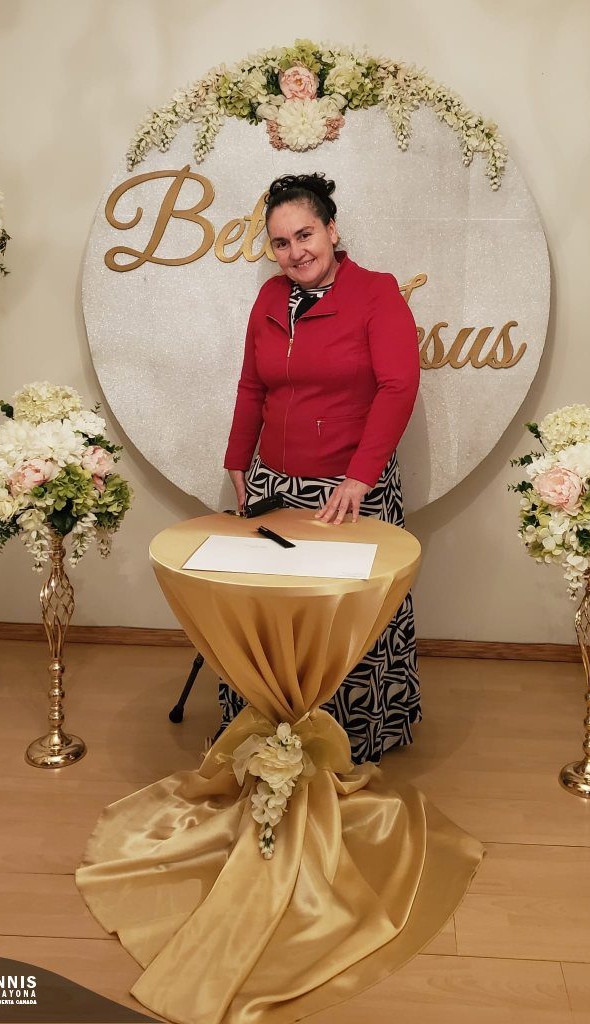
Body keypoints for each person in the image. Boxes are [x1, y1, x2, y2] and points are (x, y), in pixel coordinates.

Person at [221, 172, 420, 764]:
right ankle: (267, 738)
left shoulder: (377, 293)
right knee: (273, 615)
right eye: (281, 243)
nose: (295, 252)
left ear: (332, 230)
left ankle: (353, 739)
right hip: (273, 485)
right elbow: (252, 384)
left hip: (348, 489)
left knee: (345, 619)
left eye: (305, 235)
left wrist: (360, 476)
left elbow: (398, 387)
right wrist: (238, 457)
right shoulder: (269, 298)